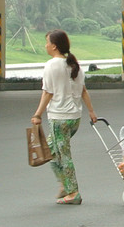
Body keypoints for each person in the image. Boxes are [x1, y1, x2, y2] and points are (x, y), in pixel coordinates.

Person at [30, 30, 96, 205]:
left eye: (47, 42)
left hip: (59, 118)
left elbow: (47, 93)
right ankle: (64, 185)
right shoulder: (75, 65)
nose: (45, 45)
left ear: (54, 46)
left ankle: (73, 192)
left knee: (63, 155)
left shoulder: (52, 65)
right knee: (49, 152)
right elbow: (83, 91)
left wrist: (37, 115)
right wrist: (91, 112)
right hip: (74, 118)